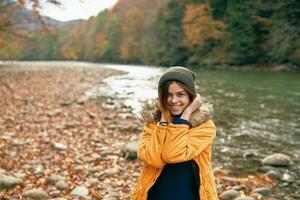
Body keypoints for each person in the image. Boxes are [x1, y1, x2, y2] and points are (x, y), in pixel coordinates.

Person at [130, 66, 218, 200]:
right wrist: (163, 121)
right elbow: (152, 159)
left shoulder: (204, 127)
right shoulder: (153, 123)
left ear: (191, 97)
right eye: (168, 95)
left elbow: (173, 154)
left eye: (180, 94)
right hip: (155, 195)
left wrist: (185, 117)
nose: (173, 100)